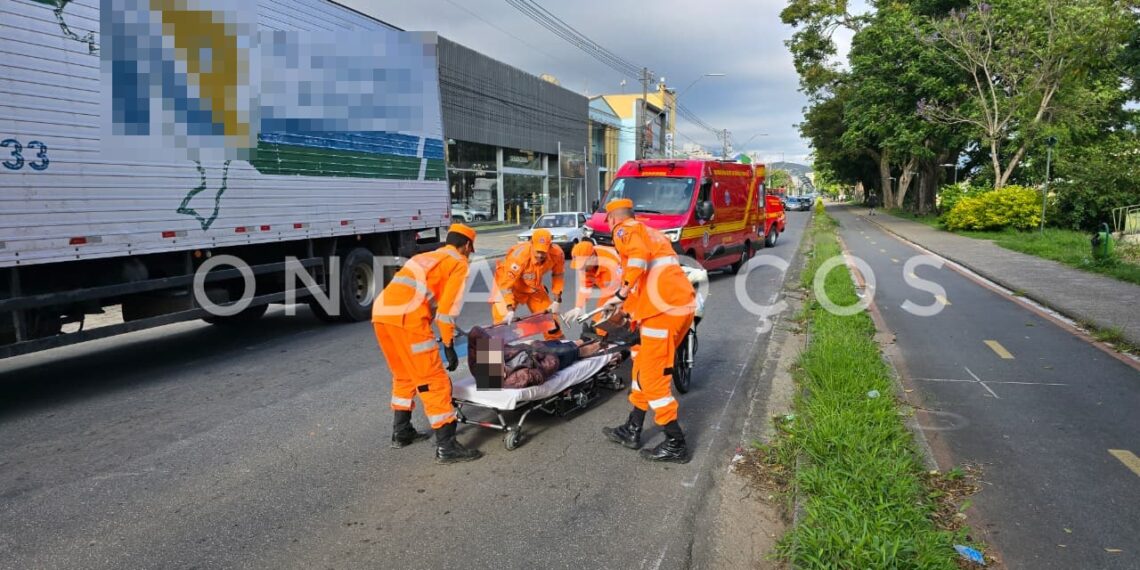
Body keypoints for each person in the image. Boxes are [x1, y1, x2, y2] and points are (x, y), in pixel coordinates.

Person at [372, 224, 482, 464]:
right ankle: (447, 447)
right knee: (435, 381)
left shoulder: (424, 257)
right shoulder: (458, 263)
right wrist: (449, 344)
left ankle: (401, 433)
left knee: (404, 376)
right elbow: (446, 312)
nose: (469, 255)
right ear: (466, 246)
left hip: (381, 315)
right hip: (408, 320)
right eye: (470, 251)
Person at [599, 199, 697, 463]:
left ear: (612, 219)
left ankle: (676, 443)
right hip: (670, 307)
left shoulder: (624, 230)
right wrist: (624, 308)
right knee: (641, 368)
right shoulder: (651, 233)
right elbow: (647, 280)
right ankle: (632, 429)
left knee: (653, 380)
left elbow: (638, 263)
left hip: (662, 314)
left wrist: (620, 294)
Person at [491, 228, 566, 338]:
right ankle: (491, 355)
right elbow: (505, 285)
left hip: (533, 287)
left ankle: (561, 351)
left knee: (551, 322)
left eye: (543, 252)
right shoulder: (519, 257)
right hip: (509, 286)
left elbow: (558, 275)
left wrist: (557, 300)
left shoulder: (557, 254)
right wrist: (509, 309)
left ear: (550, 246)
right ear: (531, 244)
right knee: (500, 324)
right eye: (538, 252)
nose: (540, 256)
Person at [562, 240, 622, 328]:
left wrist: (615, 303)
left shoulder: (612, 263)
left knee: (622, 317)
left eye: (583, 265)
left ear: (592, 257)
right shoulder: (584, 267)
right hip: (609, 289)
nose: (581, 268)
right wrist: (578, 307)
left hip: (629, 287)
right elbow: (584, 288)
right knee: (599, 321)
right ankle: (597, 334)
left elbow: (625, 289)